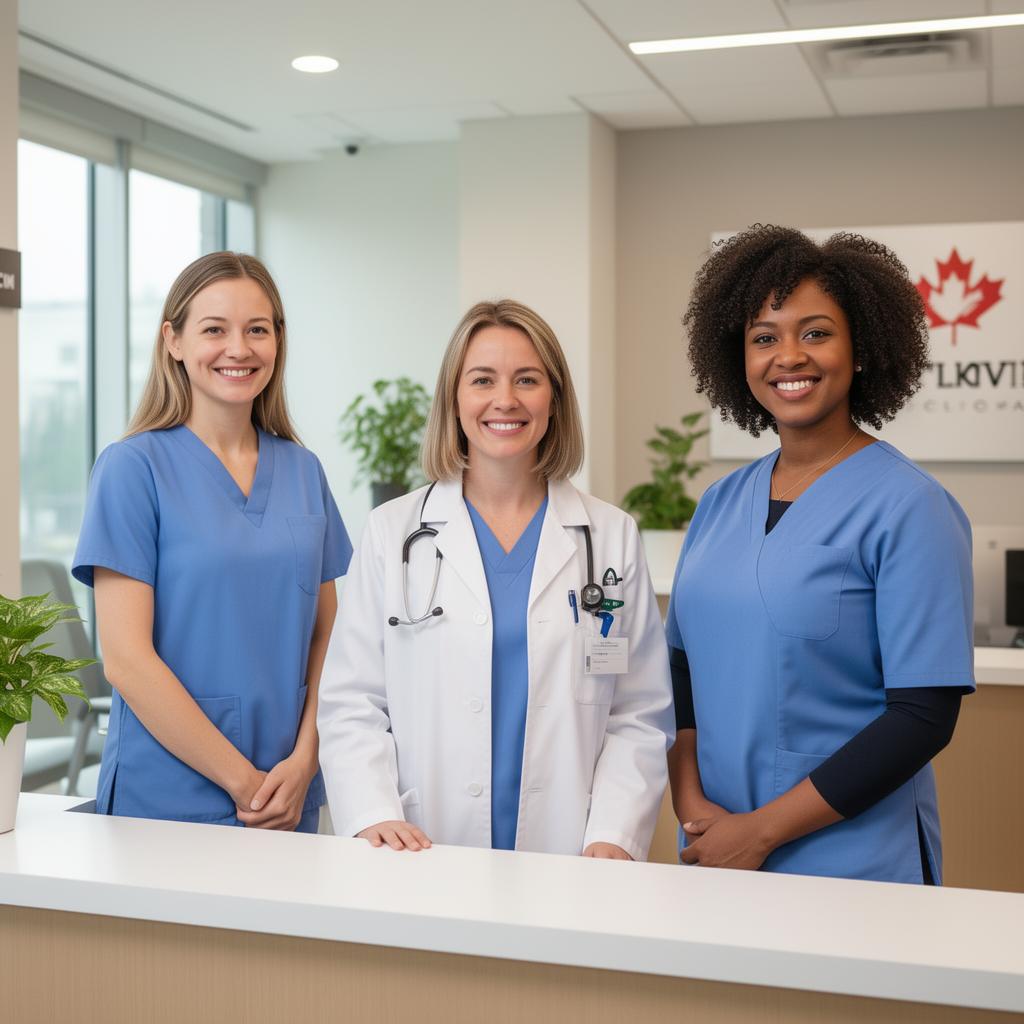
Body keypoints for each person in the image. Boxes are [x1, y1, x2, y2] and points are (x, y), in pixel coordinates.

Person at [667, 226, 974, 883]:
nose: (789, 356)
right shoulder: (719, 503)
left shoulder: (910, 506)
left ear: (861, 350)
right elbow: (681, 675)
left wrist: (760, 832)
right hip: (713, 852)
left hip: (852, 864)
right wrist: (692, 808)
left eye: (815, 333)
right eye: (764, 338)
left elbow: (922, 718)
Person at [318, 300, 673, 859]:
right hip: (422, 846)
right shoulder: (392, 533)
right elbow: (352, 700)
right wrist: (373, 812)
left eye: (527, 379)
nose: (505, 399)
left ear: (554, 399)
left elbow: (638, 713)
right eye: (482, 379)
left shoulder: (609, 537)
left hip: (574, 851)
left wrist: (614, 833)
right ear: (454, 398)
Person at [73, 252, 351, 831]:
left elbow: (330, 636)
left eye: (257, 330)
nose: (239, 349)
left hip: (289, 790)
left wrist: (306, 759)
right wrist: (244, 783)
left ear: (278, 340)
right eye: (215, 329)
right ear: (173, 341)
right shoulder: (132, 469)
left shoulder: (304, 471)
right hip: (168, 798)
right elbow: (126, 660)